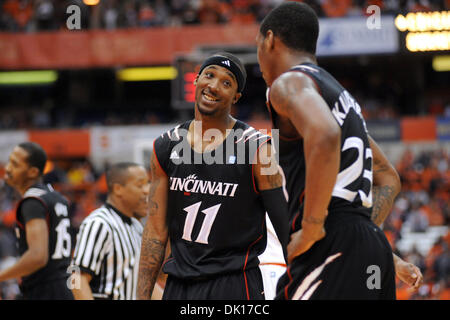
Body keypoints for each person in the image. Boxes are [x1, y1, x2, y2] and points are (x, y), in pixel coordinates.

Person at [256, 2, 422, 300]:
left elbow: (325, 134)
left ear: (269, 40)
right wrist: (359, 232)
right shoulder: (338, 94)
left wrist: (312, 228)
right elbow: (388, 177)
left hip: (330, 244)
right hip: (371, 245)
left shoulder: (289, 83)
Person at [137, 52, 289, 300]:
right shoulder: (165, 146)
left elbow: (285, 230)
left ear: (236, 97)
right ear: (196, 80)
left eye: (227, 82)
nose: (214, 86)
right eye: (209, 75)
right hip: (179, 286)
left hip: (234, 284)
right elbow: (154, 234)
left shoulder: (258, 148)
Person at [0, 142, 73, 300]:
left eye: (15, 164)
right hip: (65, 287)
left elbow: (37, 257)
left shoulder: (32, 201)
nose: (8, 169)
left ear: (32, 172)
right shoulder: (57, 197)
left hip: (45, 291)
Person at [71, 162, 149, 300]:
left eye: (148, 183)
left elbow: (144, 286)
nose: (147, 190)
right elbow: (77, 280)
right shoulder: (99, 223)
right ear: (118, 189)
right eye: (140, 185)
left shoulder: (136, 226)